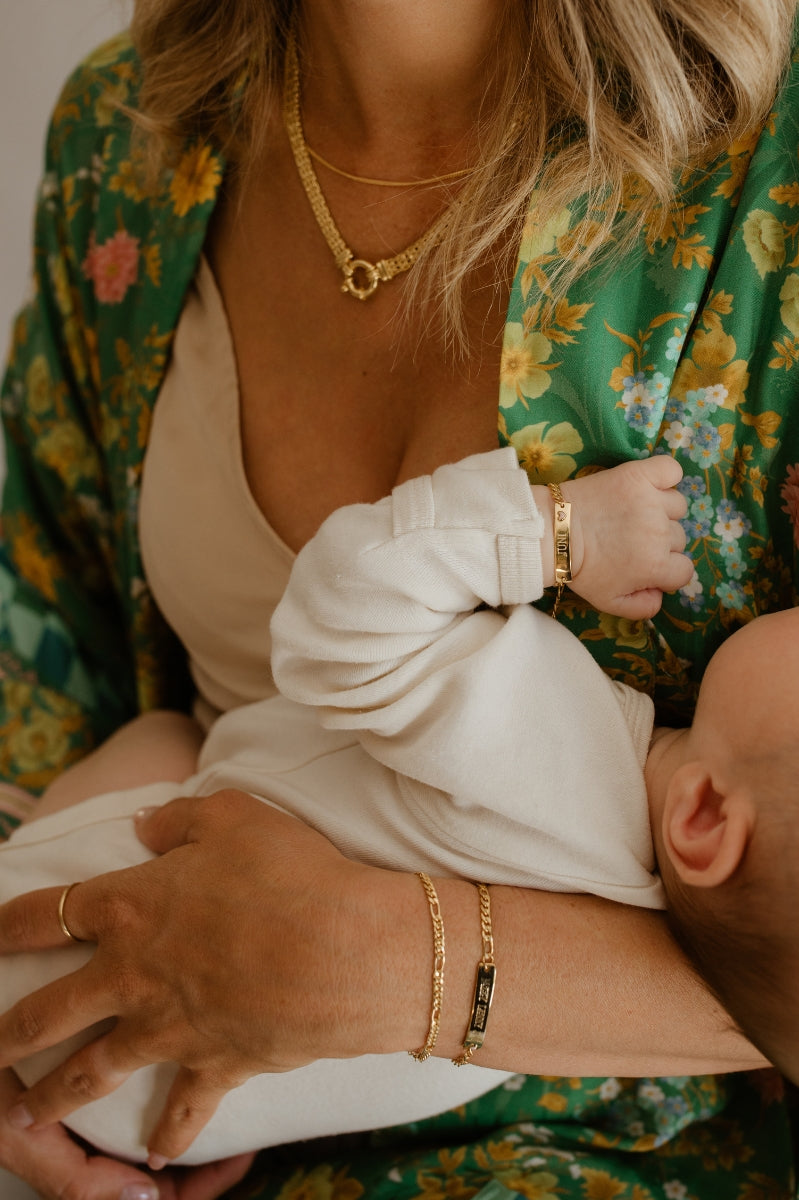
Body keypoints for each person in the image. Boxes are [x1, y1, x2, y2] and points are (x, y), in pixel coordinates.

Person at [0, 2, 797, 1198]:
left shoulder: (771, 162)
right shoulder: (133, 134)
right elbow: (43, 668)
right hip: (147, 1112)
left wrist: (381, 966)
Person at [2, 445, 798, 1169]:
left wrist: (556, 532)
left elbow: (337, 618)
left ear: (703, 820)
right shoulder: (613, 979)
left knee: (163, 736)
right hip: (152, 1122)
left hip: (68, 944)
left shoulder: (549, 745)